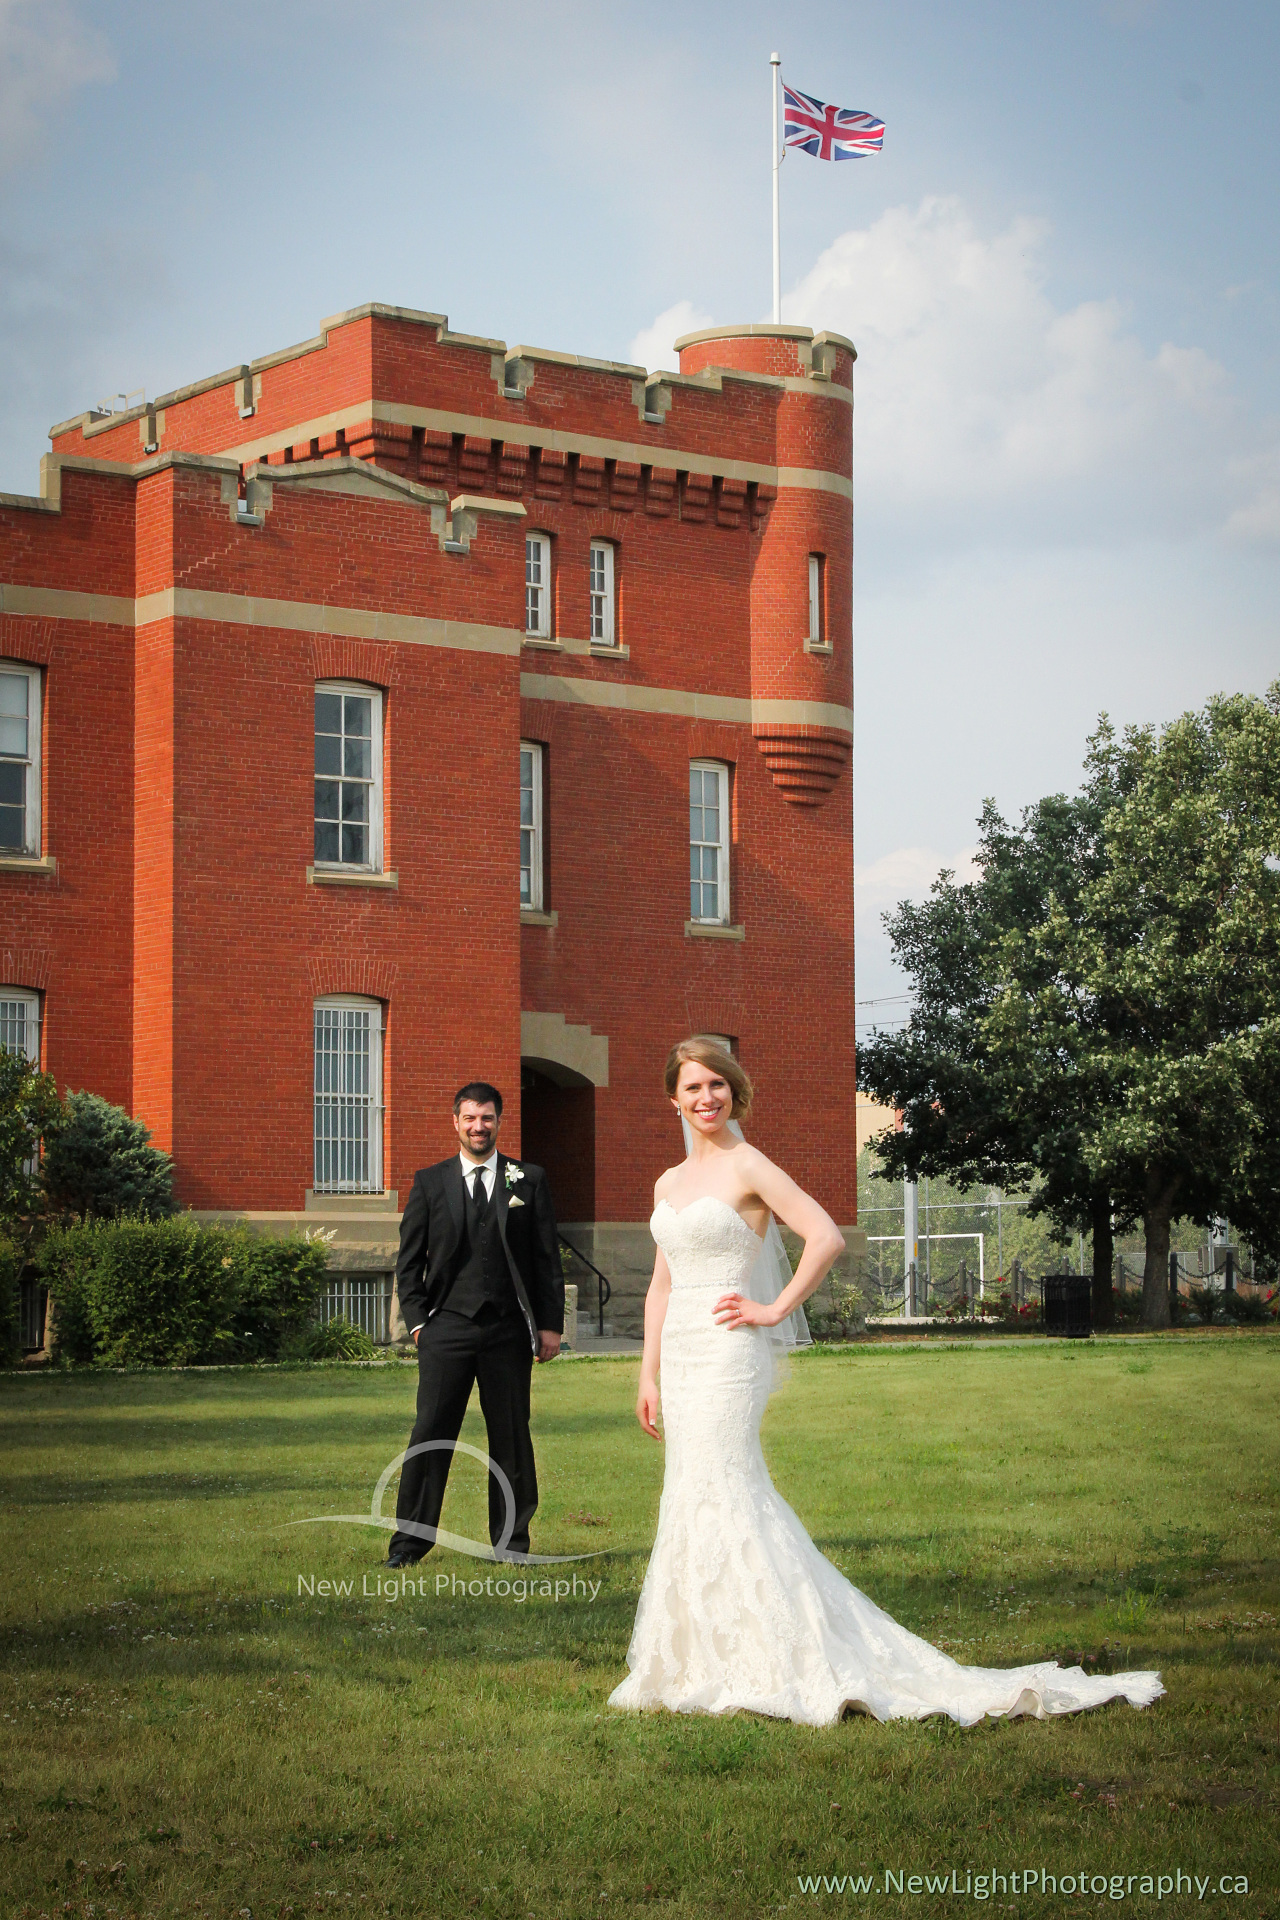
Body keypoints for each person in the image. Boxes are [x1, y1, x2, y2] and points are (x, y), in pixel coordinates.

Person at [608, 1036, 1164, 1726]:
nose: (706, 1098)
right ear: (673, 1099)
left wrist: (774, 1307)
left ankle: (780, 1654)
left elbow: (824, 1235)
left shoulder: (748, 1163)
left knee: (729, 1487)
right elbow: (661, 1285)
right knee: (690, 1493)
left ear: (733, 1091)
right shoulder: (667, 1183)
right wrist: (647, 1374)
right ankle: (698, 1658)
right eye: (692, 1087)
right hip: (682, 1358)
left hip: (728, 1354)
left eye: (717, 1085)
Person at [385, 1082, 563, 1569]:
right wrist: (419, 1323)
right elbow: (409, 1263)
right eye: (470, 1118)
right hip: (446, 1329)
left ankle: (510, 1544)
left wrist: (550, 1327)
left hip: (507, 1330)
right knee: (430, 1433)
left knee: (511, 1435)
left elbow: (547, 1259)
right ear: (456, 1122)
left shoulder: (527, 1179)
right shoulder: (430, 1182)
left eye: (487, 1118)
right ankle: (408, 1544)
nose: (478, 1127)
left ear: (498, 1122)